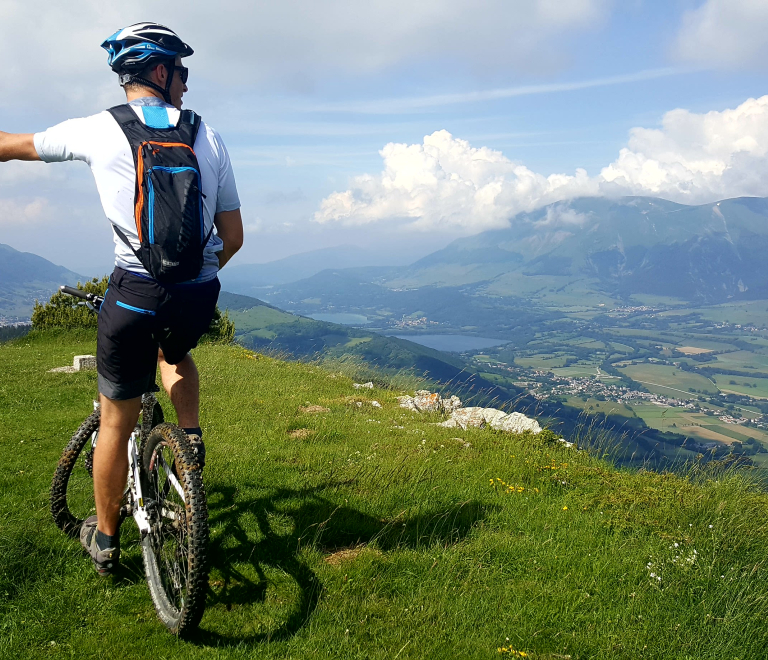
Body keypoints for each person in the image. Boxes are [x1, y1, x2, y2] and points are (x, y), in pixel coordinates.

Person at [0, 22, 244, 576]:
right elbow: (233, 237)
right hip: (195, 294)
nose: (185, 82)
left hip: (134, 294)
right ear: (160, 71)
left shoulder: (96, 130)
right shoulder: (210, 137)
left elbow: (13, 147)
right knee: (176, 355)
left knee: (116, 419)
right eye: (180, 71)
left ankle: (107, 541)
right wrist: (195, 279)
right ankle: (190, 441)